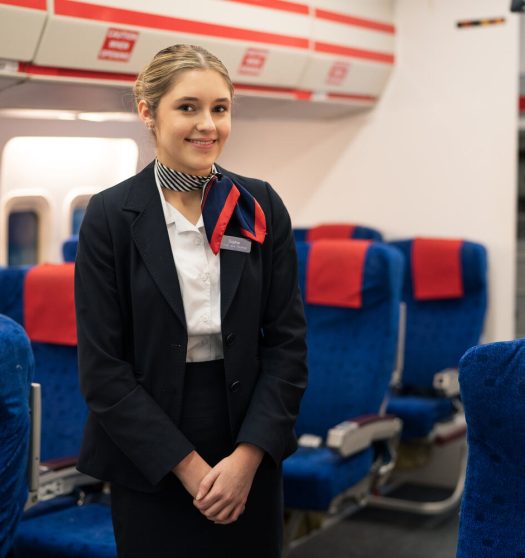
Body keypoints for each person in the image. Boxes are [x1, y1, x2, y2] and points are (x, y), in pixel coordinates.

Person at [74, 44, 307, 558]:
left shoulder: (259, 204)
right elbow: (103, 370)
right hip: (150, 448)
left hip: (247, 435)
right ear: (147, 112)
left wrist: (247, 459)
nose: (208, 125)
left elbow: (287, 345)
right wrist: (190, 468)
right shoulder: (111, 216)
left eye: (220, 109)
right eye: (188, 107)